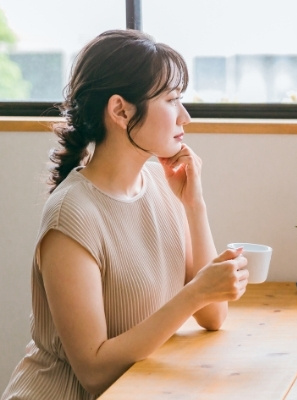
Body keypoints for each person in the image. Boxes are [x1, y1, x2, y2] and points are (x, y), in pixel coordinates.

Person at [2, 30, 249, 400]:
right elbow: (95, 372)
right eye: (171, 100)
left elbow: (213, 316)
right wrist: (194, 293)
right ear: (120, 110)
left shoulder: (161, 185)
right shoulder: (71, 217)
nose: (186, 116)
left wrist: (194, 207)